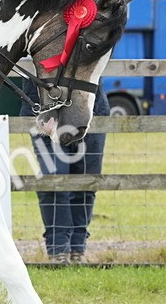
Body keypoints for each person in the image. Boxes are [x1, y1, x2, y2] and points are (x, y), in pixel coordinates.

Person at [20, 79, 110, 264]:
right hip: (45, 112)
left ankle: (77, 249)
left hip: (91, 110)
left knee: (86, 182)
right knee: (54, 181)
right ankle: (58, 249)